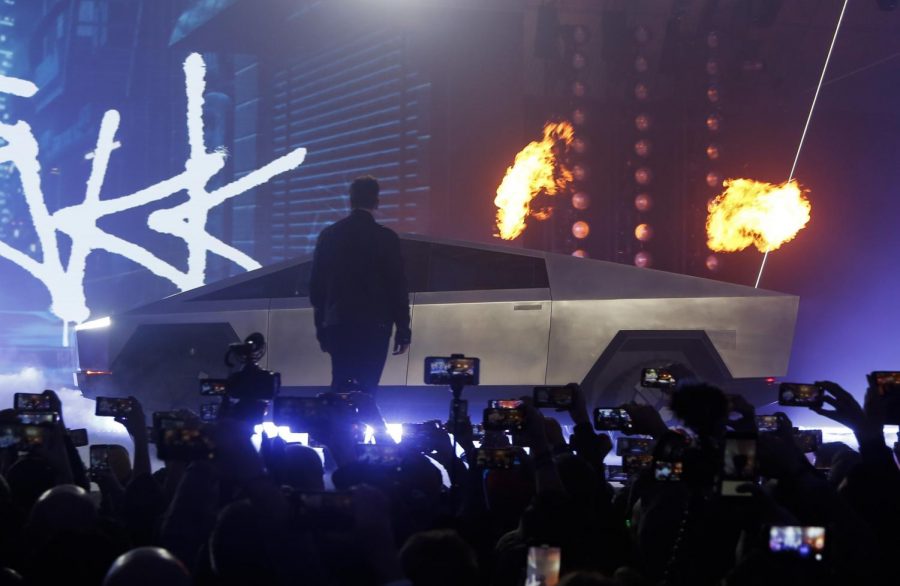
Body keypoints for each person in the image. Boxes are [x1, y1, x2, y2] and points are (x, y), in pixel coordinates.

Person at [309, 175, 411, 392]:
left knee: (341, 384)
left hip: (339, 323)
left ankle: (339, 424)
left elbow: (317, 287)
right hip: (375, 325)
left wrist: (322, 327)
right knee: (367, 388)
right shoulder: (386, 238)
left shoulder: (330, 235)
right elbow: (397, 286)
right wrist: (403, 328)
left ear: (350, 200)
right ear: (376, 202)